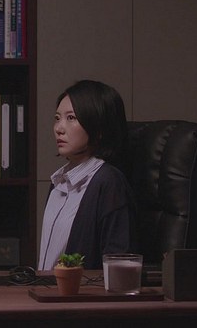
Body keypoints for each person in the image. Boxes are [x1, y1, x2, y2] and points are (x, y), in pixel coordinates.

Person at [37, 79, 136, 270]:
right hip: (49, 287)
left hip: (82, 289)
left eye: (71, 118)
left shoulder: (109, 183)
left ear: (99, 129)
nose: (59, 128)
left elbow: (118, 264)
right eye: (57, 118)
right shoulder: (58, 181)